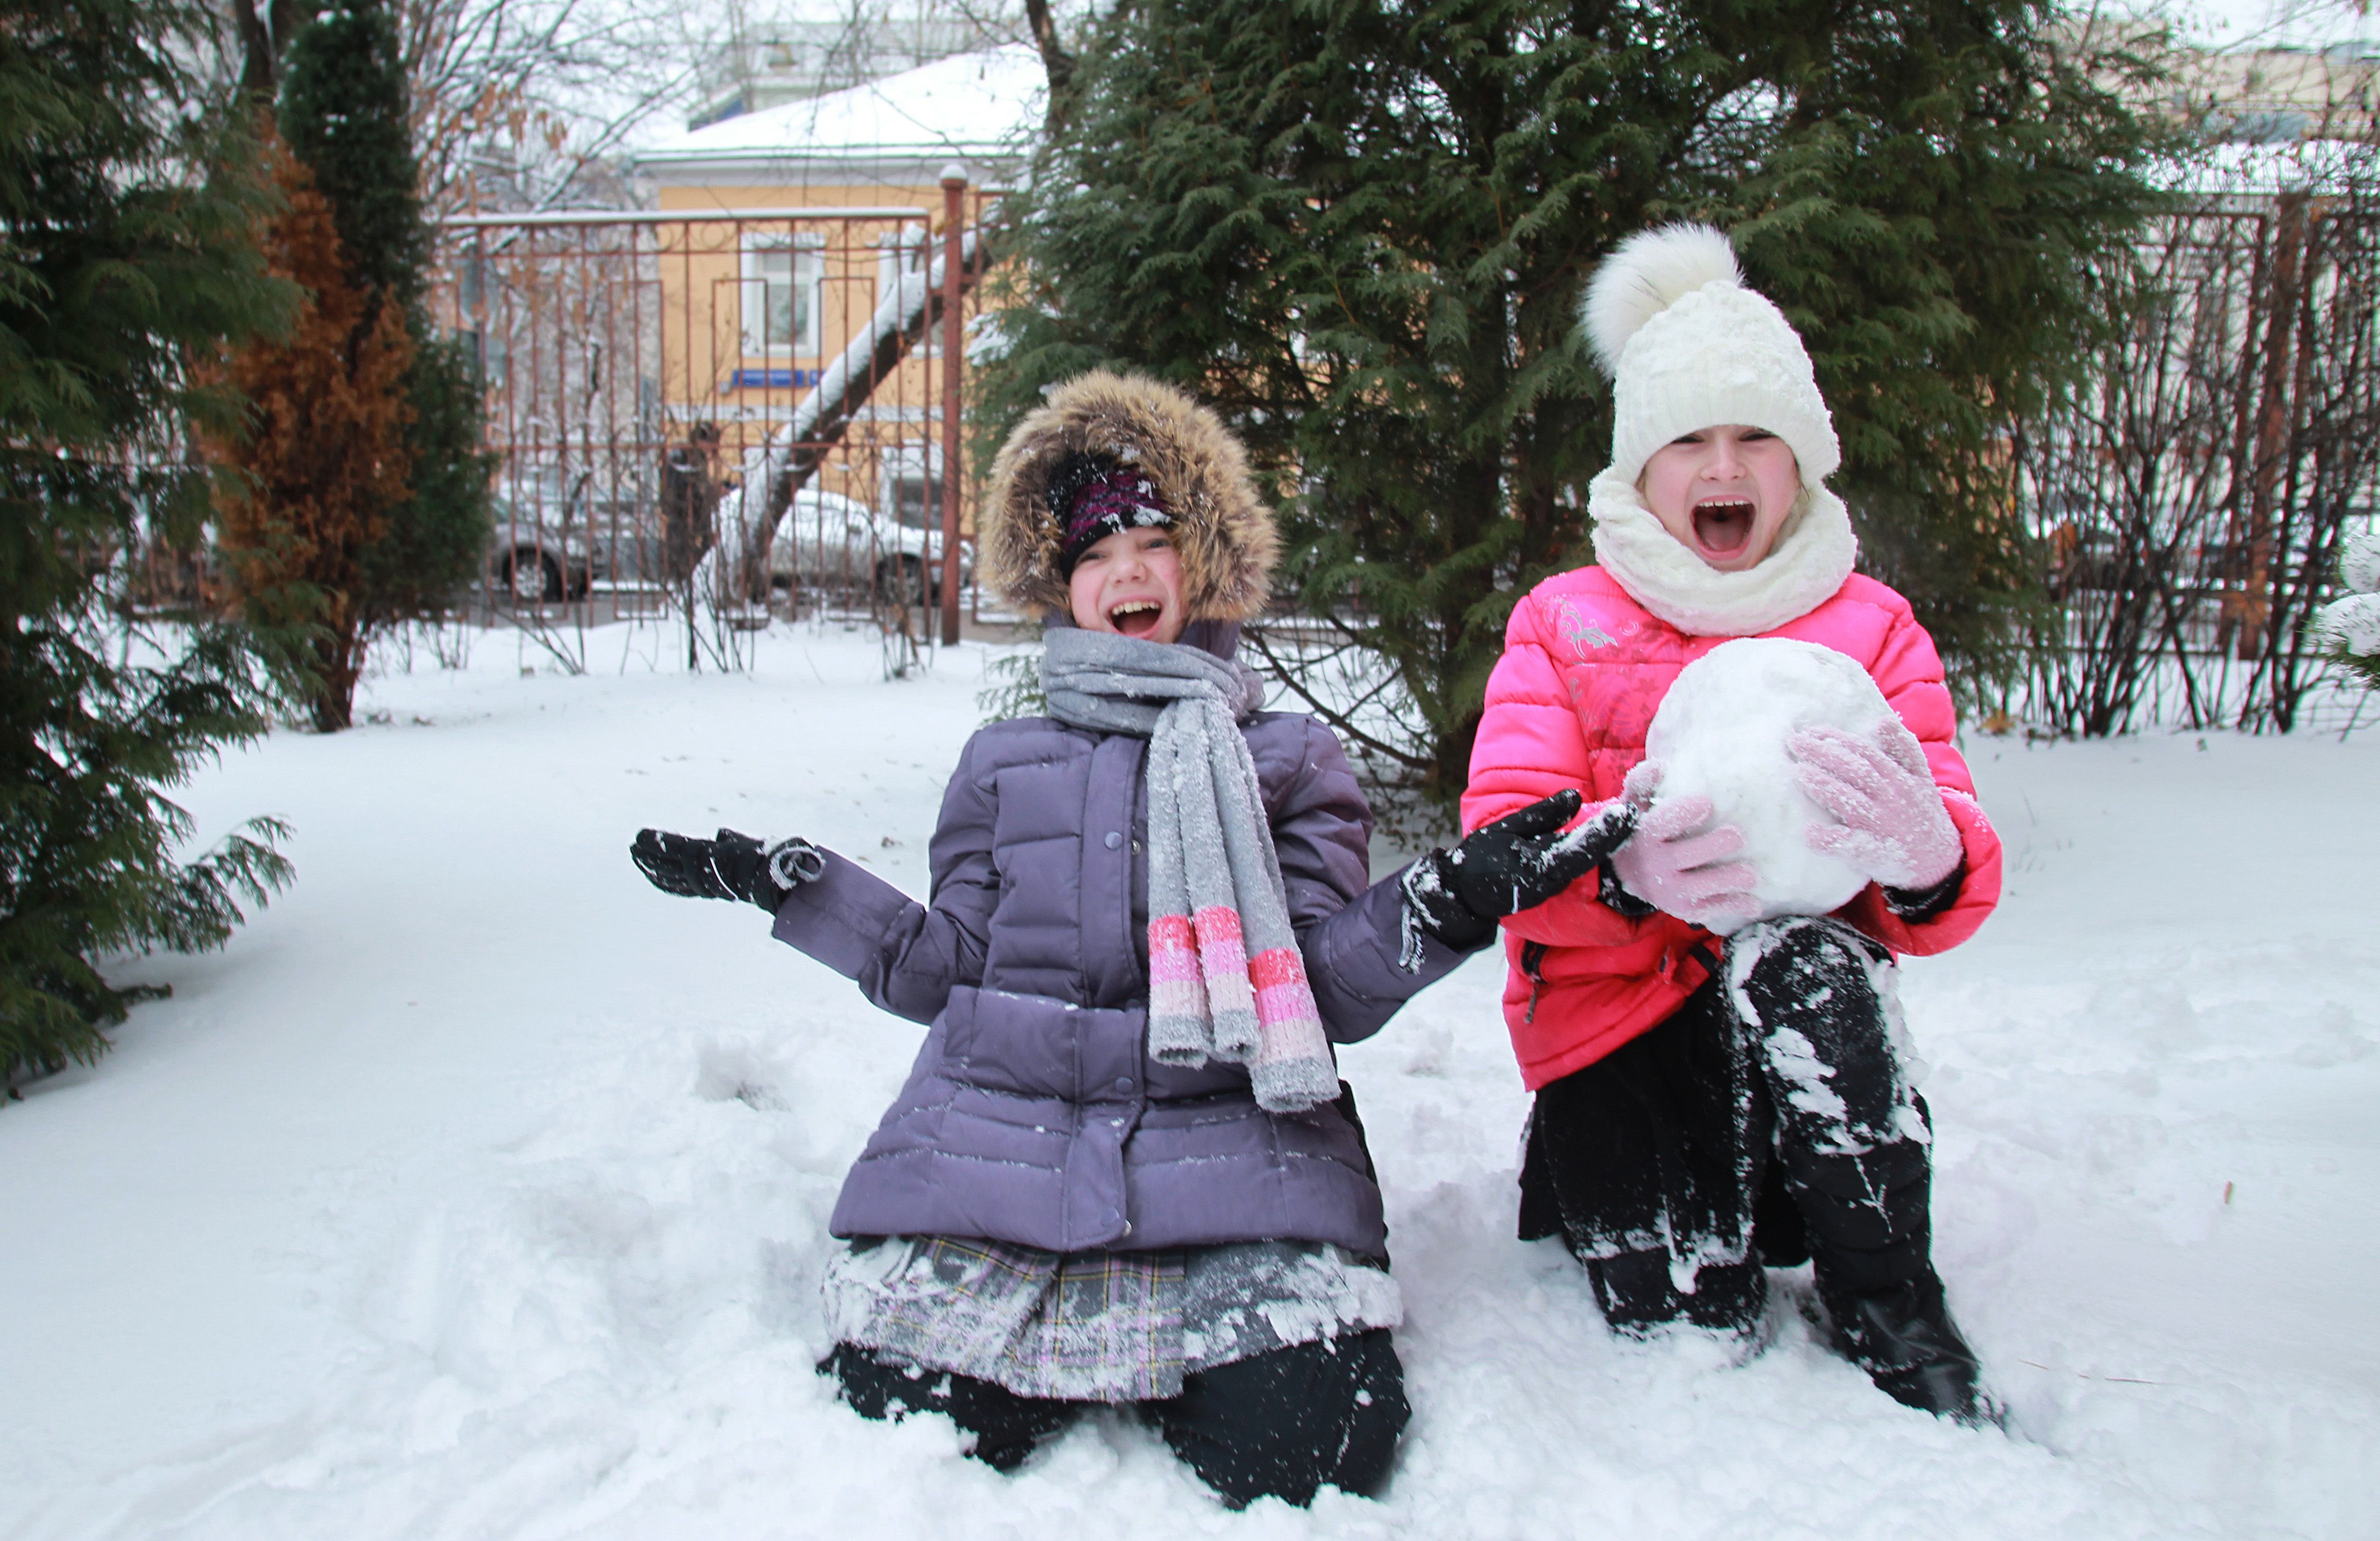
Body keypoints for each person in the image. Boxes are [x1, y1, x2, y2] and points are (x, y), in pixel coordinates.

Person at [629, 371, 1635, 1505]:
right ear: (1063, 585)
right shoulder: (1001, 761)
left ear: (1200, 564)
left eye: (1156, 542)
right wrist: (792, 887)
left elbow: (1320, 994)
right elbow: (944, 970)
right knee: (907, 1423)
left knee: (1313, 1451)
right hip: (997, 1151)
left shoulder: (1288, 758)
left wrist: (1444, 900)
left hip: (1234, 1155)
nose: (1129, 572)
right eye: (1098, 552)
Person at [1460, 226, 2005, 1424]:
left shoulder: (1870, 627)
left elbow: (1951, 860)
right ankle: (1586, 1167)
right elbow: (1503, 838)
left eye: (1756, 436)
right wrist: (1620, 870)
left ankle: (1886, 1292)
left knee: (1813, 962)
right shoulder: (1565, 624)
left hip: (1801, 1031)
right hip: (1616, 1017)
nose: (1724, 465)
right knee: (1683, 1315)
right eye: (1689, 439)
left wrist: (1931, 857)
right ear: (1642, 470)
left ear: (1801, 462)